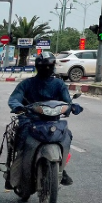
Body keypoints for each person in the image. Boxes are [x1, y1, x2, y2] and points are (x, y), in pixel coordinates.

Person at [6, 52, 79, 186]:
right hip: (30, 120)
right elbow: (15, 98)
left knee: (67, 135)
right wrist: (18, 106)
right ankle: (17, 170)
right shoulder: (27, 83)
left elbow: (67, 101)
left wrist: (72, 107)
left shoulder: (59, 84)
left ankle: (61, 168)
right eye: (44, 66)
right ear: (38, 67)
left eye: (49, 66)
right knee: (21, 138)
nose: (47, 69)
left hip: (53, 121)